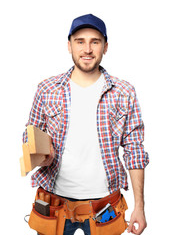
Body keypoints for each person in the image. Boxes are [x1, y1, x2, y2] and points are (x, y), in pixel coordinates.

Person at [23, 14, 149, 235]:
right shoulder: (47, 89)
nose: (87, 49)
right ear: (69, 45)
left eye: (95, 41)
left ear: (105, 47)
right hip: (54, 204)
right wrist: (43, 154)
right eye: (80, 41)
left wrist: (140, 206)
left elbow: (135, 151)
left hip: (105, 206)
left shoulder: (124, 92)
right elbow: (29, 136)